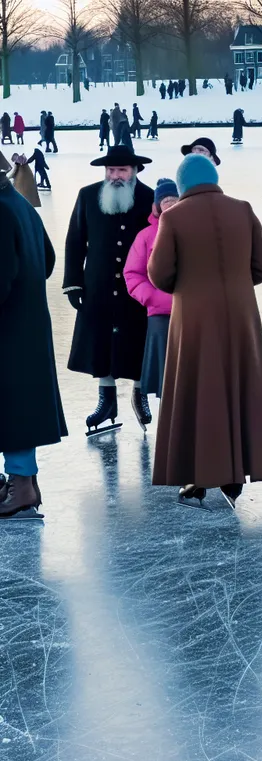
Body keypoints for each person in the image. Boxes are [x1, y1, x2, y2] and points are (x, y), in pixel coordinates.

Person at [147, 155, 262, 505]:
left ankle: (201, 478)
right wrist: (236, 282)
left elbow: (159, 274)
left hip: (194, 319)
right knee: (239, 387)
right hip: (241, 316)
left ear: (182, 185)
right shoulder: (243, 209)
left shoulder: (173, 217)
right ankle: (237, 474)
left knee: (201, 394)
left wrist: (193, 284)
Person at [62, 146, 154, 433]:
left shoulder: (149, 198)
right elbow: (75, 240)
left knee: (137, 339)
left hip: (137, 285)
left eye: (122, 170)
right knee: (101, 343)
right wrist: (73, 282)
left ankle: (140, 395)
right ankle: (107, 400)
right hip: (98, 284)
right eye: (111, 170)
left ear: (135, 171)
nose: (115, 176)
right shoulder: (88, 195)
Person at [0, 162, 66, 518]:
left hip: (9, 329)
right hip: (26, 325)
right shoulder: (19, 204)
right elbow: (49, 260)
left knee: (13, 409)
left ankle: (22, 486)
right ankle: (21, 482)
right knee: (15, 406)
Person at [123, 178, 179, 405]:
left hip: (195, 313)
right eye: (165, 200)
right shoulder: (145, 236)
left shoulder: (196, 230)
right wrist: (153, 298)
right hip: (161, 315)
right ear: (156, 206)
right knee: (166, 379)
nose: (170, 204)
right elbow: (132, 274)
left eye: (174, 199)